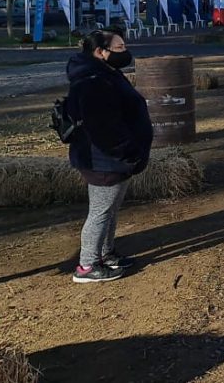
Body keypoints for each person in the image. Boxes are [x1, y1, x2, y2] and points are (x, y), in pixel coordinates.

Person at [66, 30, 153, 283]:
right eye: (119, 48)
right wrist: (127, 152)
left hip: (117, 159)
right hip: (104, 159)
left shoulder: (106, 73)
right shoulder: (92, 80)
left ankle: (106, 253)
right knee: (100, 212)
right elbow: (103, 128)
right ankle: (87, 265)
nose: (124, 51)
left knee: (111, 209)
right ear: (100, 52)